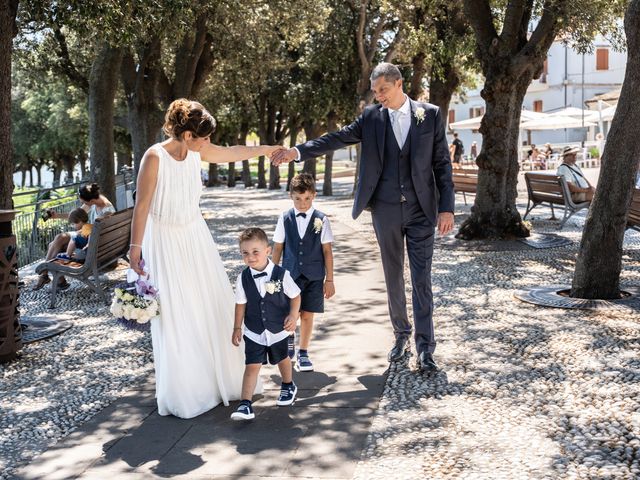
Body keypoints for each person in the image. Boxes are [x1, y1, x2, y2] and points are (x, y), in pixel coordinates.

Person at [272, 62, 455, 372]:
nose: (378, 96)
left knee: (421, 279)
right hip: (384, 210)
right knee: (393, 274)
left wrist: (446, 207)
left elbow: (442, 164)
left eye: (382, 90)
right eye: (374, 91)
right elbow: (336, 138)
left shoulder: (431, 114)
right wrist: (297, 152)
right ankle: (401, 336)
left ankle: (426, 347)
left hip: (421, 209)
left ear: (398, 84)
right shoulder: (371, 118)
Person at [129, 98, 284, 419]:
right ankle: (188, 391)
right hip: (165, 240)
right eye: (204, 137)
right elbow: (141, 206)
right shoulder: (154, 158)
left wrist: (267, 148)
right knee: (178, 313)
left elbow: (231, 152)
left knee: (209, 305)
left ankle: (219, 382)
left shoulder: (197, 151)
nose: (209, 143)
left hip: (195, 236)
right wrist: (135, 249)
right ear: (187, 135)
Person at [230, 228, 301, 421]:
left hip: (279, 330)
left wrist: (293, 316)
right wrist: (237, 327)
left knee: (282, 359)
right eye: (245, 253)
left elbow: (295, 296)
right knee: (251, 366)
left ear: (268, 251)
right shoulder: (242, 278)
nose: (250, 257)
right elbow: (240, 304)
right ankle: (245, 404)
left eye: (255, 252)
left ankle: (288, 385)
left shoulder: (281, 274)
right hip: (254, 331)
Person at [272, 173, 335, 372]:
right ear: (291, 196)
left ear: (314, 196)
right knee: (291, 312)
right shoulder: (284, 218)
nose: (302, 203)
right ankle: (289, 338)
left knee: (308, 315)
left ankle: (304, 352)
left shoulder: (321, 219)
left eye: (307, 198)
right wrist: (272, 275)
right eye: (298, 199)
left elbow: (327, 251)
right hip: (290, 275)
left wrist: (330, 279)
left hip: (314, 276)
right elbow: (277, 248)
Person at [34, 183, 116, 290]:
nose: (82, 203)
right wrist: (56, 216)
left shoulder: (106, 212)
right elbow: (76, 215)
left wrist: (80, 232)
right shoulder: (96, 199)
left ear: (90, 201)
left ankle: (48, 276)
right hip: (91, 236)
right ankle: (55, 279)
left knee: (56, 243)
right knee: (57, 241)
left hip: (95, 246)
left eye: (83, 202)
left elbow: (95, 234)